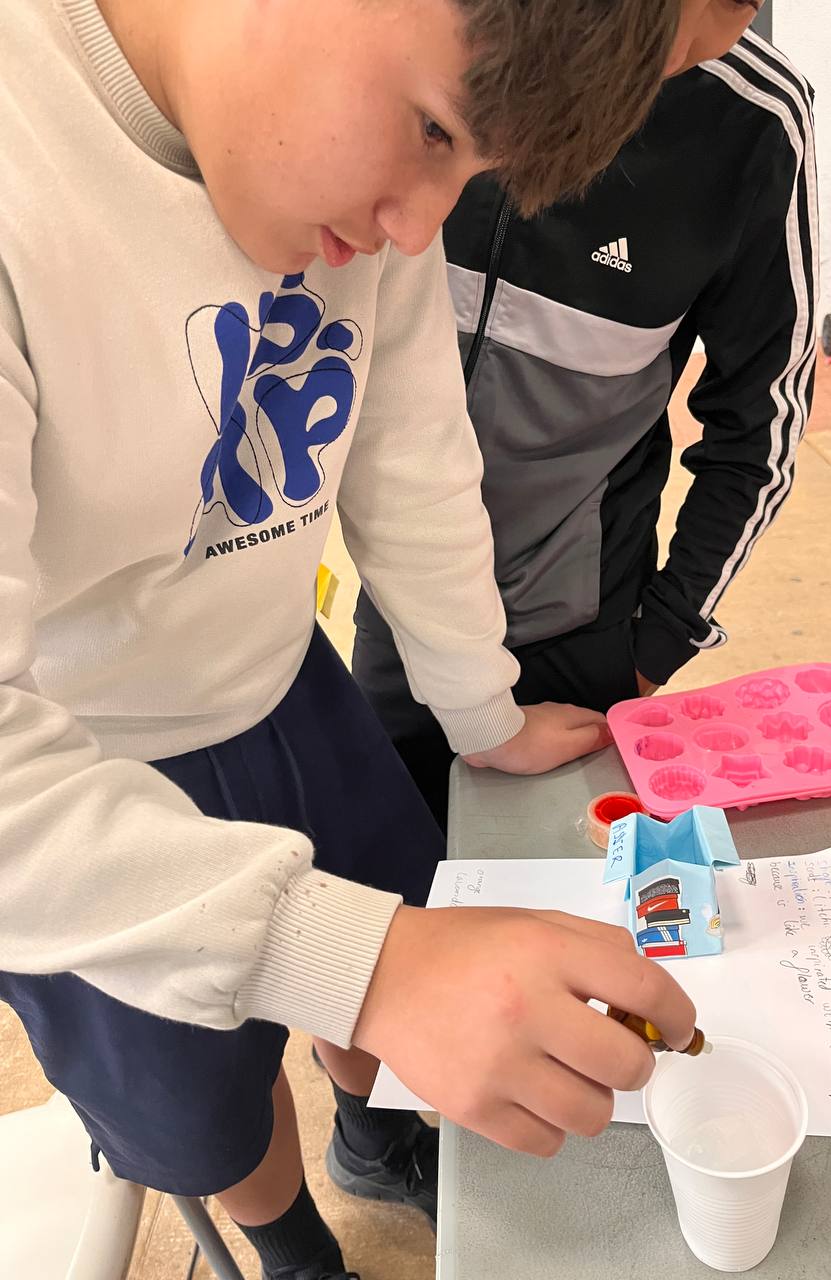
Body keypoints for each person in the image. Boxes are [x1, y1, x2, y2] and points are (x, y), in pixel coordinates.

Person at [0, 3, 711, 1279]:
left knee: (409, 925)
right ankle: (294, 1249)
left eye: (469, 170)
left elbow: (411, 451)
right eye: (433, 129)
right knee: (212, 1101)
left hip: (288, 684)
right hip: (78, 787)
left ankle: (377, 1135)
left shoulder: (357, 187)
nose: (418, 226)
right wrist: (365, 965)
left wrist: (479, 706)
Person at [354, 7, 820, 829]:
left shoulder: (751, 122)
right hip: (402, 603)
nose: (661, 56)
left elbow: (759, 425)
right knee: (393, 856)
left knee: (563, 881)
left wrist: (660, 639)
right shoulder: (442, 34)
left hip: (579, 625)